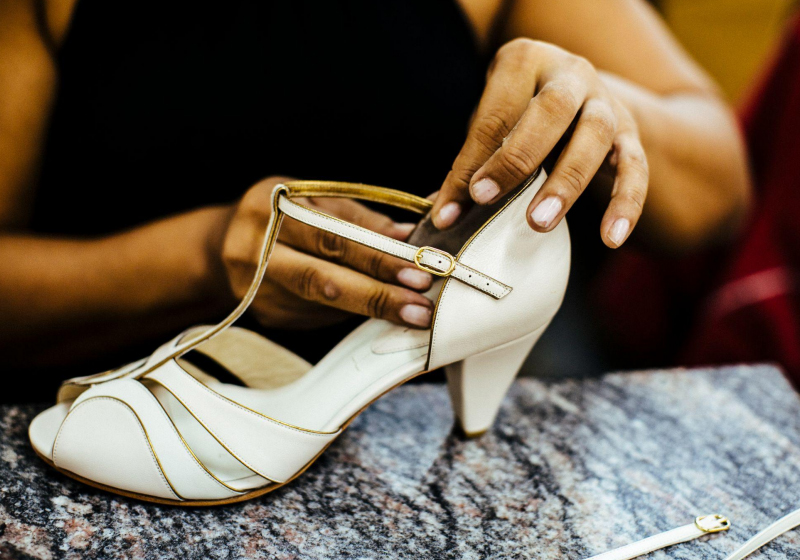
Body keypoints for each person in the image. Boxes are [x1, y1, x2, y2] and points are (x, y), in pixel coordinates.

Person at [0, 0, 750, 394]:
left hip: (405, 419)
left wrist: (601, 103)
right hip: (89, 402)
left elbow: (720, 189)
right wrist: (199, 259)